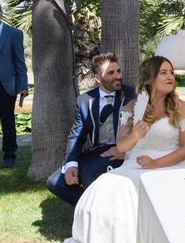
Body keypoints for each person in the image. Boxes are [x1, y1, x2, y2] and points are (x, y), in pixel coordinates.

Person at [0, 56, 185, 243]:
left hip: (168, 165)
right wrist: (136, 134)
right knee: (102, 187)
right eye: (163, 72)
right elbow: (122, 145)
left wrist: (156, 164)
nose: (170, 76)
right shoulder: (133, 107)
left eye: (171, 72)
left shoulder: (181, 108)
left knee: (124, 190)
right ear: (150, 78)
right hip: (136, 163)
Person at [46, 53, 136, 205]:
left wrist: (125, 150)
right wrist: (71, 164)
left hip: (122, 150)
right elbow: (76, 136)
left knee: (90, 173)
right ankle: (93, 209)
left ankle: (96, 214)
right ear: (98, 78)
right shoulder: (84, 100)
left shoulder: (132, 94)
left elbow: (144, 127)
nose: (118, 76)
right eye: (111, 73)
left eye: (118, 71)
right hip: (97, 151)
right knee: (55, 182)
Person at [0, 3, 28, 169]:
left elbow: (20, 62)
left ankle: (9, 155)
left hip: (6, 86)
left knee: (7, 122)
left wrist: (23, 86)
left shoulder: (14, 34)